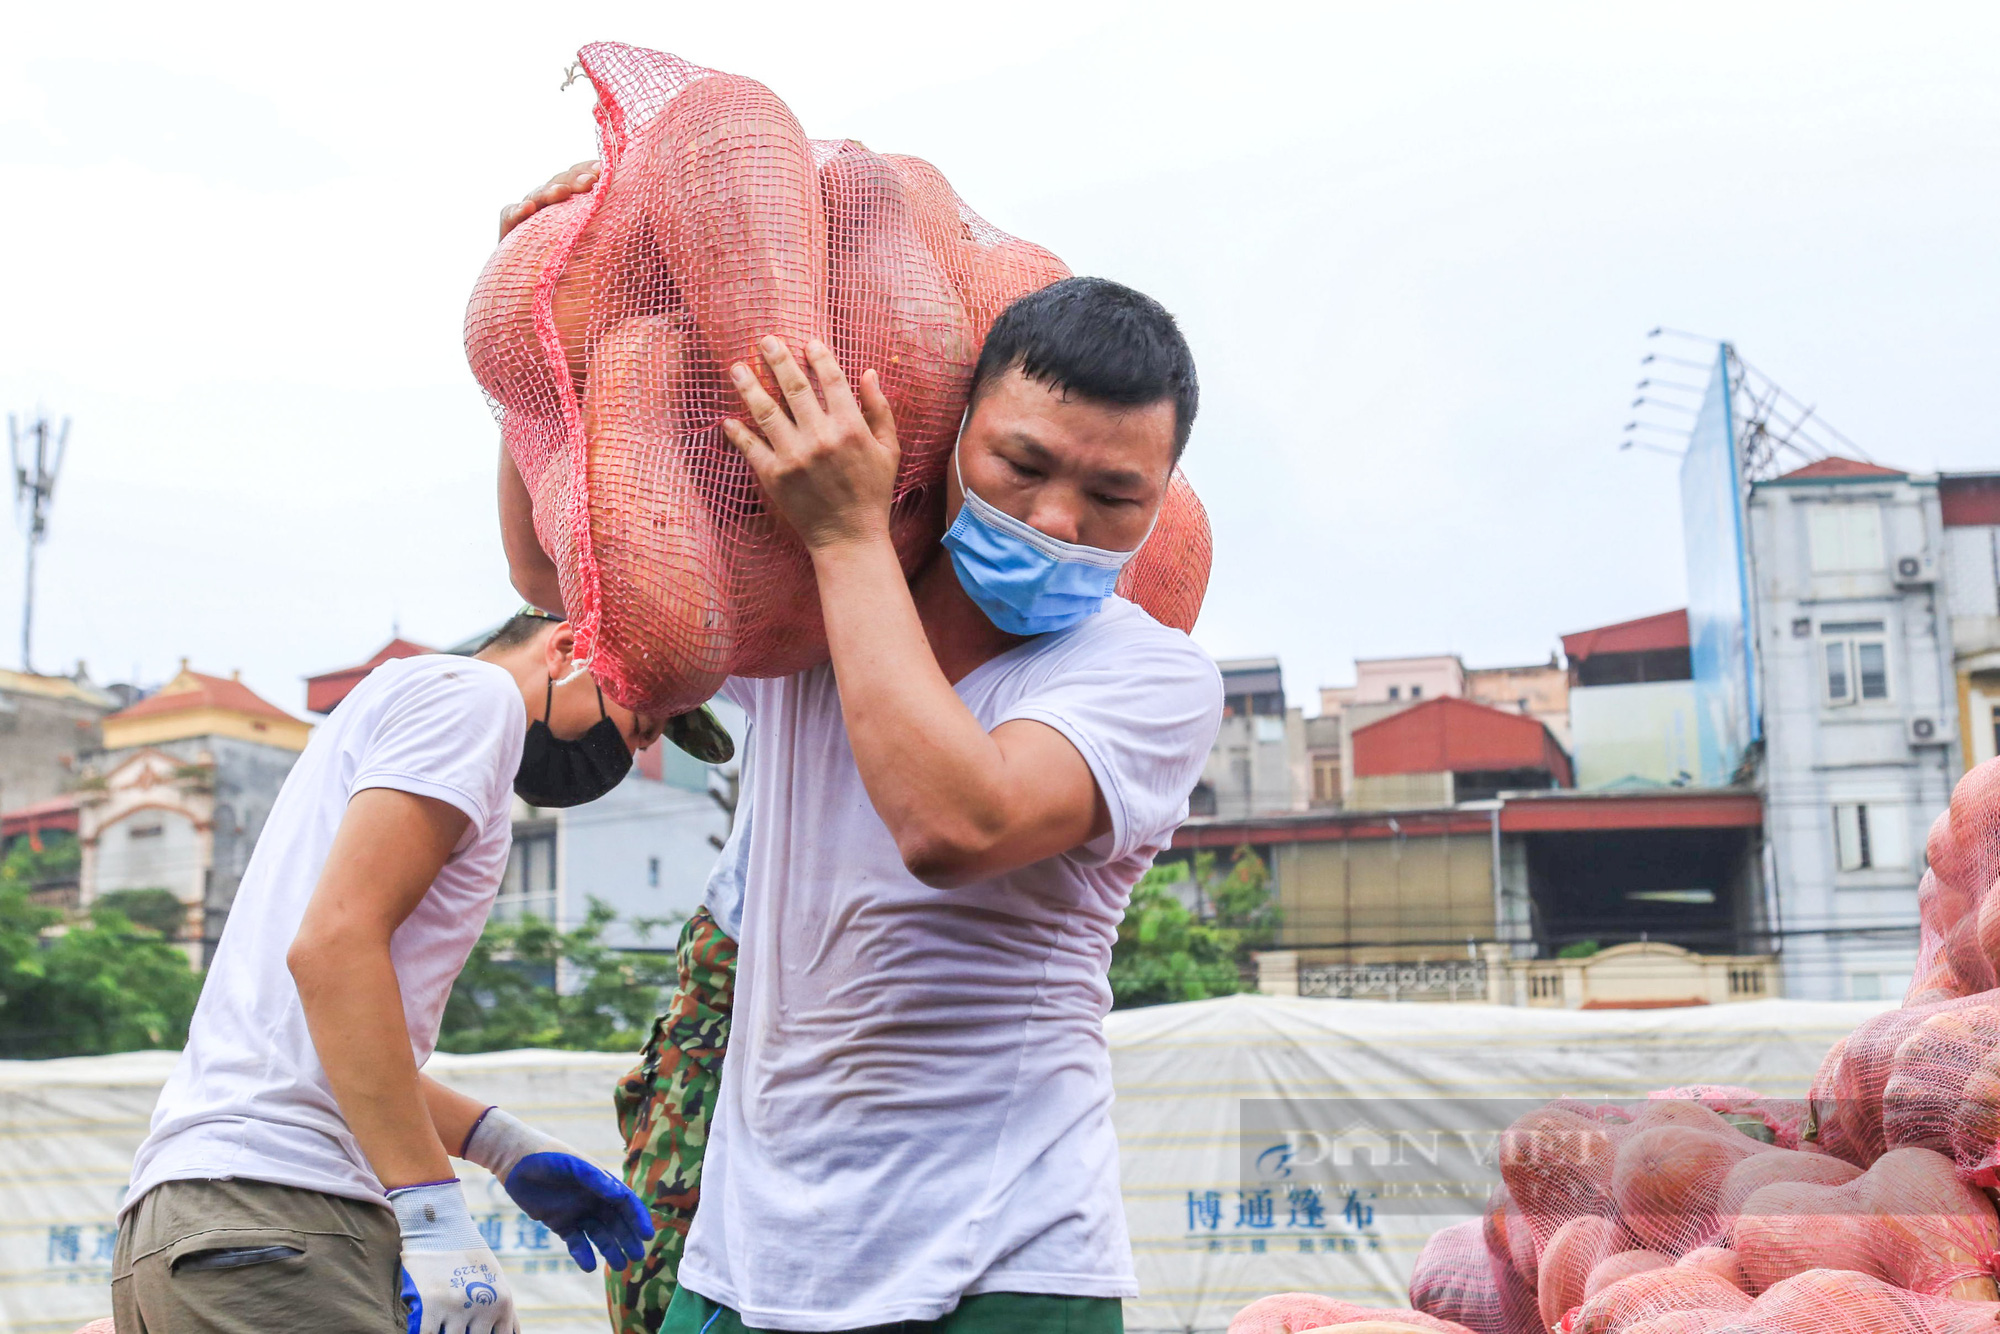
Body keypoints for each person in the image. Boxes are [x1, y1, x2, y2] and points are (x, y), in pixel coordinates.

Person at [500, 176, 1221, 1333]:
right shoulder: (801, 621)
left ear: (1161, 497)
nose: (1054, 520)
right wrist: (555, 330)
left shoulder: (1146, 676)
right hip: (748, 1259)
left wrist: (841, 531)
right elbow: (559, 578)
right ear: (945, 438)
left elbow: (955, 823)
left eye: (1112, 494)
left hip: (1003, 1265)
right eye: (1019, 464)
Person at [110, 612, 718, 1334]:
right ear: (565, 649)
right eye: (640, 723)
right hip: (279, 1217)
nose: (634, 751)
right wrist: (435, 1215)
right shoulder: (476, 698)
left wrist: (504, 1146)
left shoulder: (386, 716)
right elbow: (334, 952)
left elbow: (319, 1036)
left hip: (203, 1219)